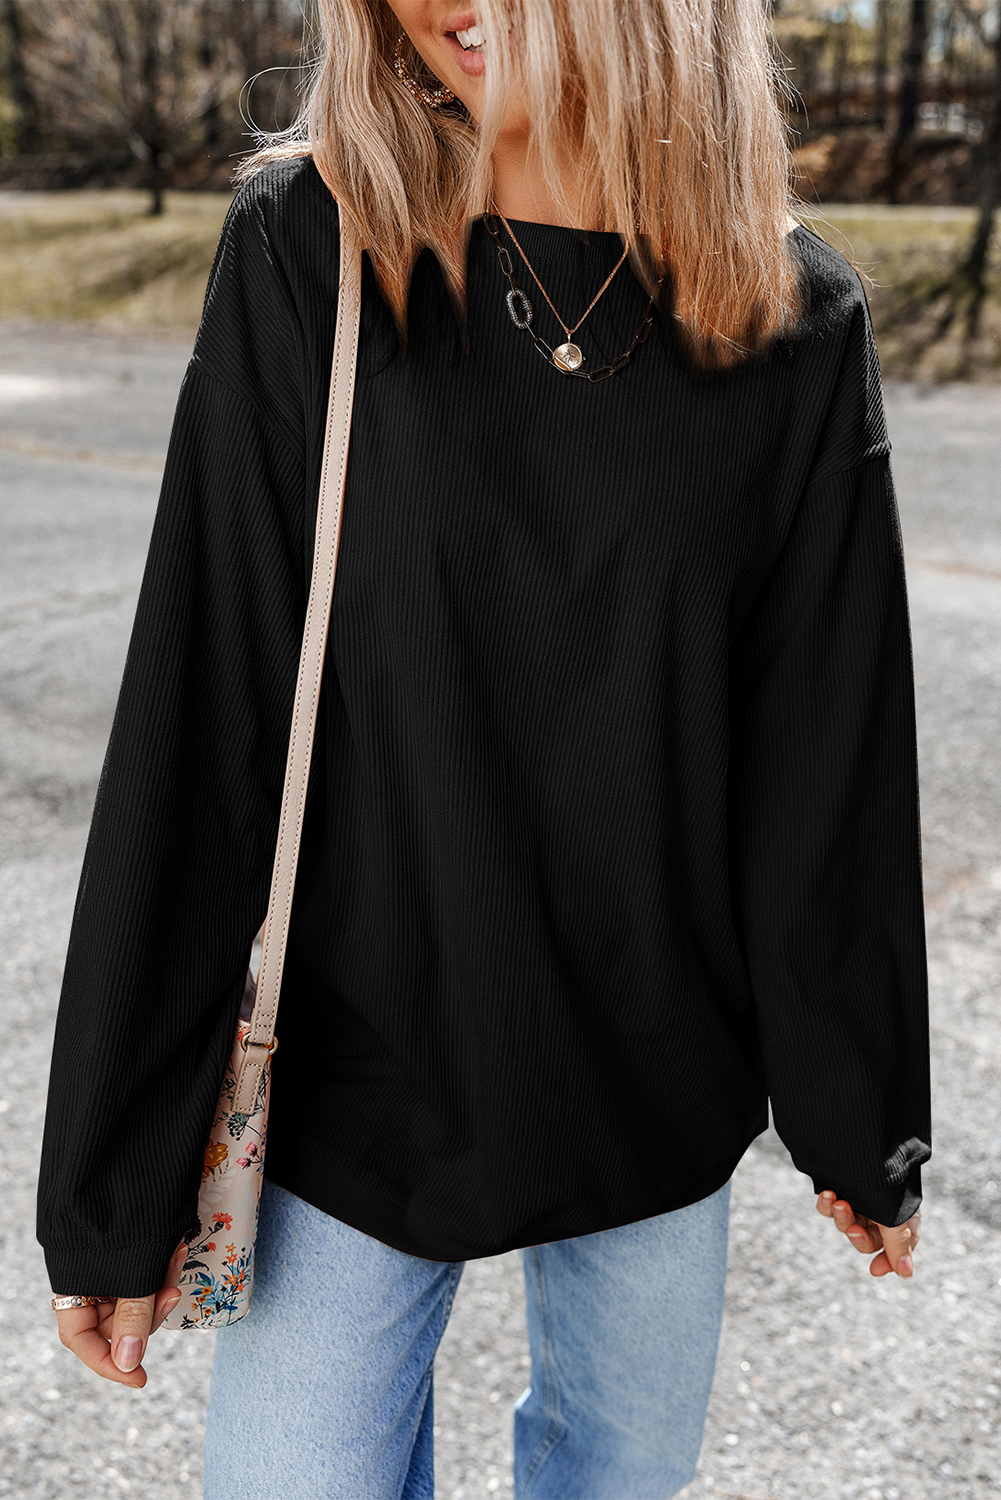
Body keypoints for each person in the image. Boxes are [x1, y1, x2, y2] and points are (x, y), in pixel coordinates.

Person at [37, 1, 930, 1495]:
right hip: (355, 1083)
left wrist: (863, 1118)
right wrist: (113, 1182)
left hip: (656, 1077)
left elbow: (821, 760)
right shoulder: (312, 249)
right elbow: (203, 713)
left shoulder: (790, 310)